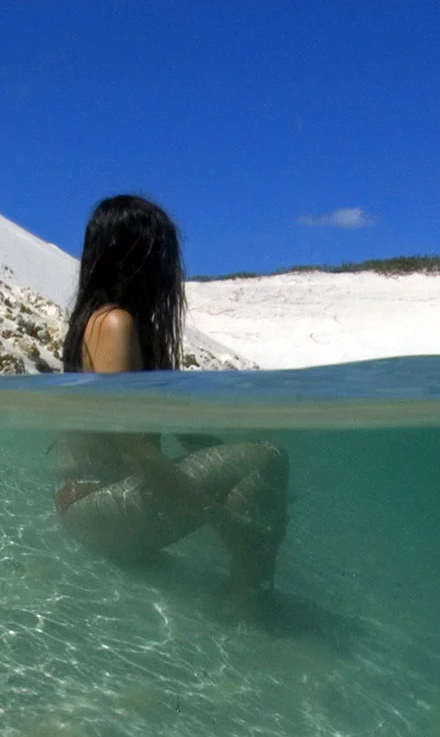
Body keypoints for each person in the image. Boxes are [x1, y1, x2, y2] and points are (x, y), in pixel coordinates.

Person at [56, 194, 288, 622]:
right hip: (99, 511)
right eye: (163, 256)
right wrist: (221, 517)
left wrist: (250, 487)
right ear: (136, 258)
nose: (171, 272)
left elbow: (187, 437)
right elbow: (136, 453)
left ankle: (249, 598)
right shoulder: (115, 323)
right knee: (267, 458)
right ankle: (251, 608)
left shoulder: (111, 325)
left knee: (259, 463)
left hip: (92, 508)